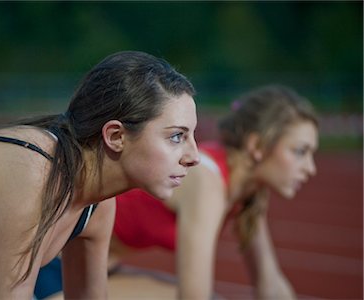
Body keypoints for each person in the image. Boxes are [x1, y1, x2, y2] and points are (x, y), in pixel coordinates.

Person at [0, 50, 200, 299]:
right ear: (115, 136)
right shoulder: (36, 176)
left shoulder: (98, 206)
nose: (194, 156)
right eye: (177, 136)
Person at [110, 85, 319, 299]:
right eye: (300, 152)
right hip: (79, 266)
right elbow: (194, 296)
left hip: (106, 269)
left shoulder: (249, 191)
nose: (311, 168)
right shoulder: (207, 181)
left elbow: (270, 284)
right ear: (256, 145)